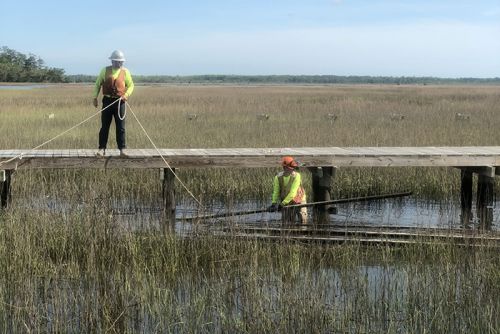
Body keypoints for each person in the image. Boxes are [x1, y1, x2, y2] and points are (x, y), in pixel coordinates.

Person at [93, 50, 134, 157]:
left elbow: (131, 85)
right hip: (107, 101)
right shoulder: (105, 70)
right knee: (104, 126)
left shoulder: (126, 72)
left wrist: (126, 95)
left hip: (120, 102)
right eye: (117, 61)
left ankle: (122, 149)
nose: (119, 63)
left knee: (121, 127)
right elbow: (97, 84)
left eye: (121, 61)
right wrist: (95, 97)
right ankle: (102, 149)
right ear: (112, 61)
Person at [268, 156, 308, 224]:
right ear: (284, 167)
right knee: (286, 222)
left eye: (293, 168)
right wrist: (274, 203)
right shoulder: (278, 177)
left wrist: (282, 204)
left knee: (303, 220)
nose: (293, 170)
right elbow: (276, 191)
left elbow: (293, 192)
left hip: (299, 199)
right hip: (286, 201)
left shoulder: (297, 176)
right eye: (290, 168)